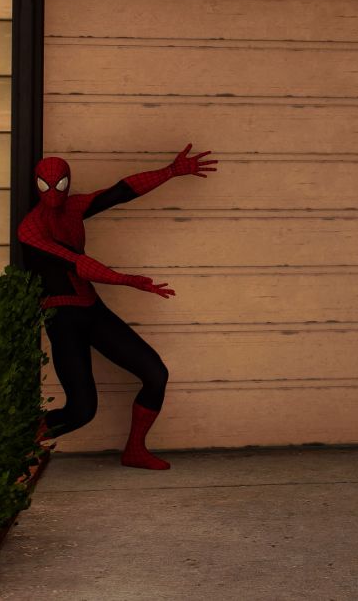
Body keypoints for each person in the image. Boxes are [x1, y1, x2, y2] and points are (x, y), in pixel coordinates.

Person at [16, 145, 216, 469]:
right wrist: (126, 280)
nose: (53, 192)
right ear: (35, 184)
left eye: (60, 184)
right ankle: (15, 444)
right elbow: (78, 264)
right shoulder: (30, 229)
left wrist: (170, 171)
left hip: (91, 308)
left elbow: (119, 192)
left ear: (68, 182)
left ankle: (135, 450)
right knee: (81, 410)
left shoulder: (73, 208)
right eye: (45, 185)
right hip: (62, 318)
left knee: (155, 373)